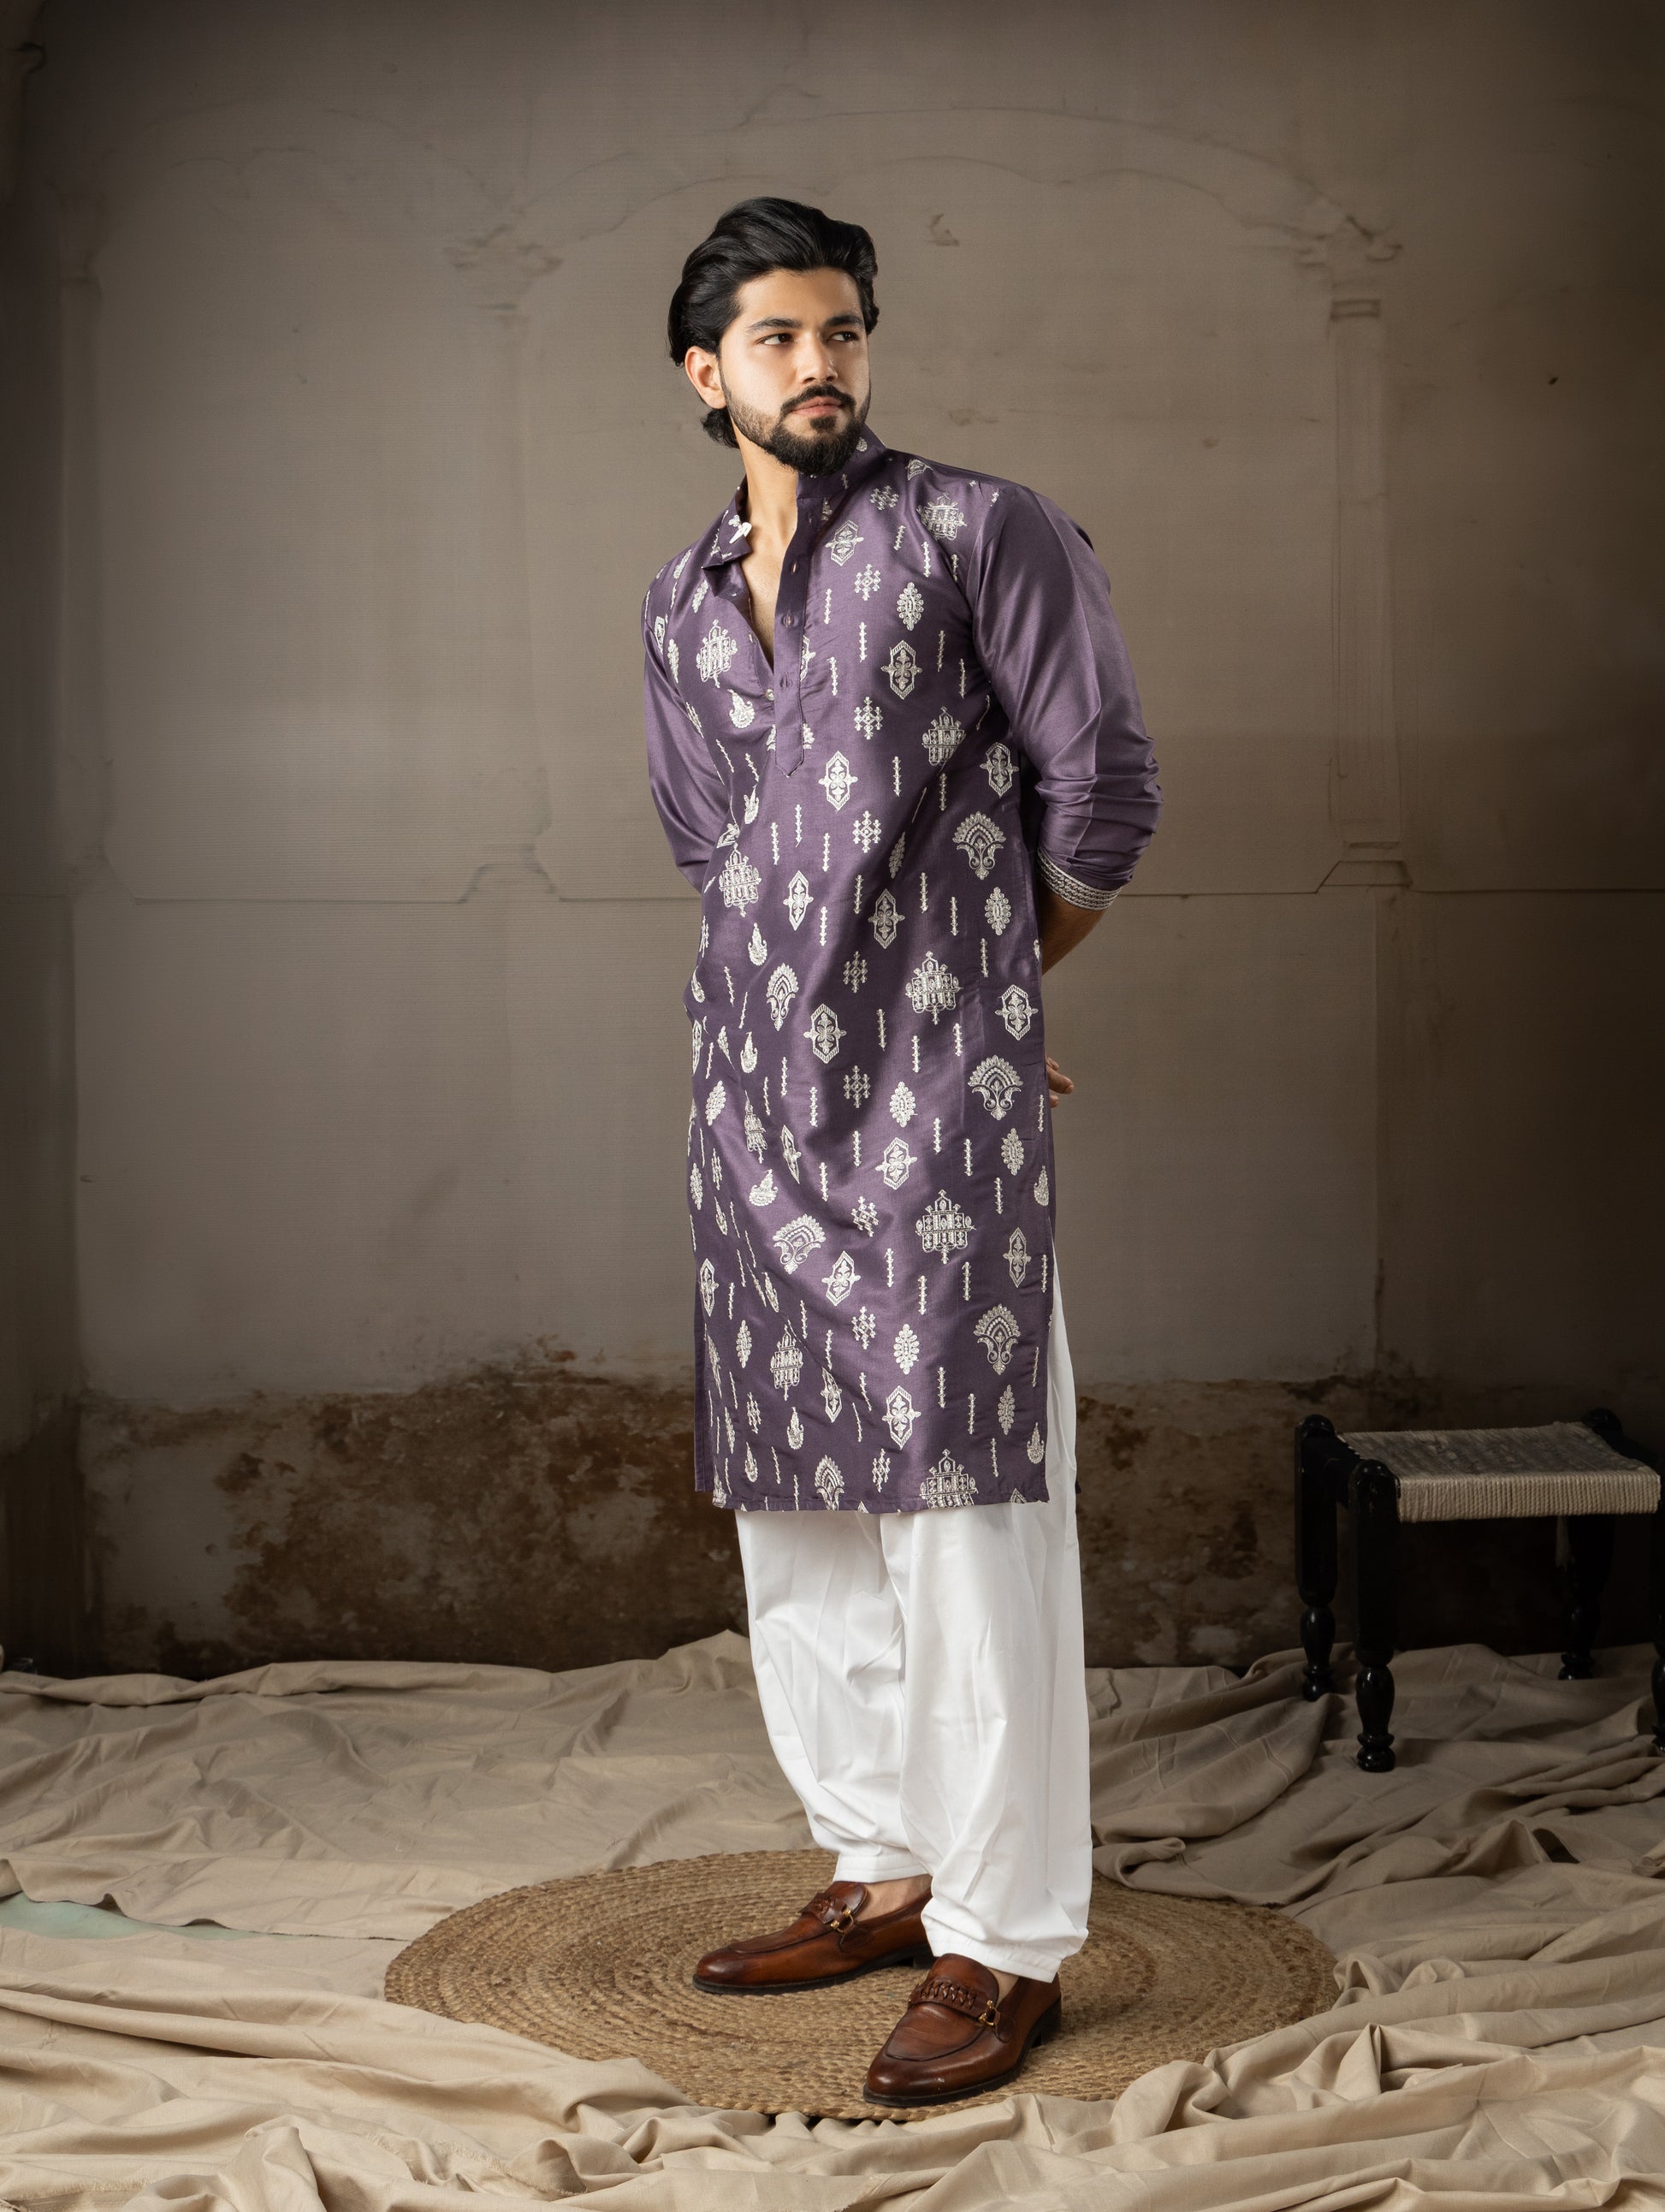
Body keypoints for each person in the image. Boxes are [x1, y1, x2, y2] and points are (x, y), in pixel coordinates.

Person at [641, 197, 1161, 2107]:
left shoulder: (977, 530)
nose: (820, 365)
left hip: (938, 1100)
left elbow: (1101, 788)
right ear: (705, 375)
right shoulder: (680, 601)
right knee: (795, 1502)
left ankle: (1002, 1939)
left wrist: (986, 1004)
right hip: (750, 1099)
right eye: (778, 338)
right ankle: (878, 1864)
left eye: (843, 330)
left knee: (966, 1508)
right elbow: (713, 851)